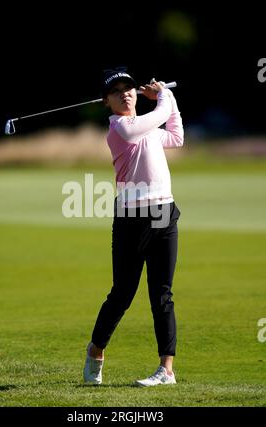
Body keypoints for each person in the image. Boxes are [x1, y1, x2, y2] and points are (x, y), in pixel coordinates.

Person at [83, 66, 184, 387]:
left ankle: (166, 370)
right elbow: (157, 115)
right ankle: (96, 351)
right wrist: (164, 96)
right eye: (116, 91)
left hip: (164, 213)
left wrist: (168, 101)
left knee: (162, 296)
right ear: (107, 103)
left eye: (128, 88)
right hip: (131, 219)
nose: (125, 93)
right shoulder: (120, 129)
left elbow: (177, 136)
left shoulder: (147, 128)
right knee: (122, 293)